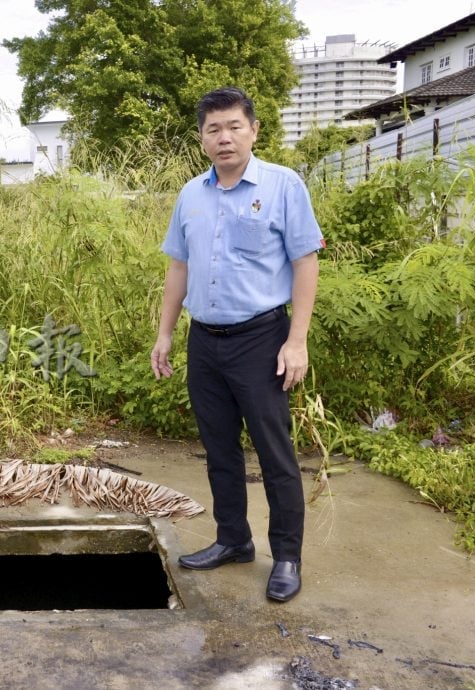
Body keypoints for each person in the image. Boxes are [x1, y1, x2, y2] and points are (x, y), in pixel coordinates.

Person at [150, 87, 322, 603]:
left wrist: (297, 340)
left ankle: (287, 556)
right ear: (202, 137)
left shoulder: (282, 185)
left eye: (233, 126)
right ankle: (233, 540)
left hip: (261, 339)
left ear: (254, 130)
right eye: (213, 129)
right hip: (205, 341)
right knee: (219, 450)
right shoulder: (190, 195)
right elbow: (178, 268)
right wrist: (165, 333)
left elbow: (305, 262)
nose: (223, 137)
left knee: (275, 454)